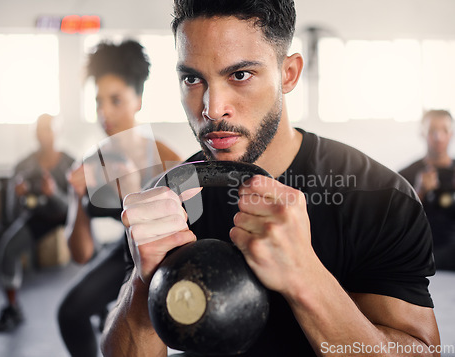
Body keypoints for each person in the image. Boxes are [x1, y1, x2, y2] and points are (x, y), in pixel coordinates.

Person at [101, 1, 441, 356]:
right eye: (192, 78)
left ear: (288, 74)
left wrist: (305, 277)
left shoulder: (381, 198)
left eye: (240, 74)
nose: (212, 108)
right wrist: (143, 285)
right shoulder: (170, 199)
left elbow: (422, 350)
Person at [57, 40, 181, 357]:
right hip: (123, 251)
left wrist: (131, 190)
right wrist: (75, 197)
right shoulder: (93, 162)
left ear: (137, 100)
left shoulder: (166, 159)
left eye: (116, 100)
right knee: (70, 313)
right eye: (99, 101)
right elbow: (81, 254)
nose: (104, 113)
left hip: (165, 254)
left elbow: (184, 229)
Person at [0, 113, 74, 333]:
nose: (44, 135)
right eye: (40, 130)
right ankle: (12, 308)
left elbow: (70, 207)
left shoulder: (70, 163)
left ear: (56, 132)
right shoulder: (24, 165)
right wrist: (18, 196)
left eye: (48, 129)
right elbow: (12, 212)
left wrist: (53, 192)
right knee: (7, 249)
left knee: (91, 252)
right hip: (39, 218)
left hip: (67, 215)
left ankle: (102, 308)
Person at [400, 109, 455, 271]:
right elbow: (394, 221)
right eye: (432, 131)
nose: (439, 137)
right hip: (419, 252)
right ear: (422, 133)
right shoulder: (404, 175)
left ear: (451, 133)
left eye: (444, 130)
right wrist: (419, 192)